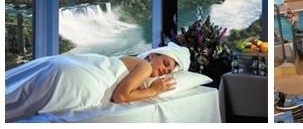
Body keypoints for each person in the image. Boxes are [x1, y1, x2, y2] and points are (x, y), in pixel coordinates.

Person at [5, 42, 189, 122]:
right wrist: (154, 91)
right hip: (77, 79)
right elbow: (121, 95)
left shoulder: (132, 62)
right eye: (165, 63)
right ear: (152, 55)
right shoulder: (145, 66)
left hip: (62, 64)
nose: (165, 70)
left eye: (169, 70)